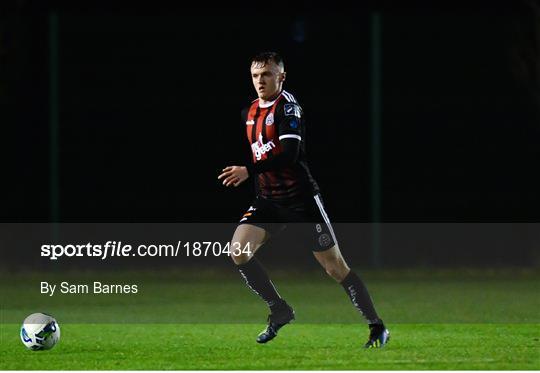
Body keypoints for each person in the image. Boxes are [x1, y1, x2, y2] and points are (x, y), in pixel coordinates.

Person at [218, 51, 390, 348]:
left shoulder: (288, 109)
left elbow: (289, 155)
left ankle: (377, 326)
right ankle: (279, 309)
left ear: (281, 77)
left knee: (335, 267)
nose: (261, 80)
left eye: (267, 74)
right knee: (238, 251)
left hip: (301, 201)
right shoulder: (249, 111)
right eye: (256, 75)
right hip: (269, 202)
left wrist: (249, 170)